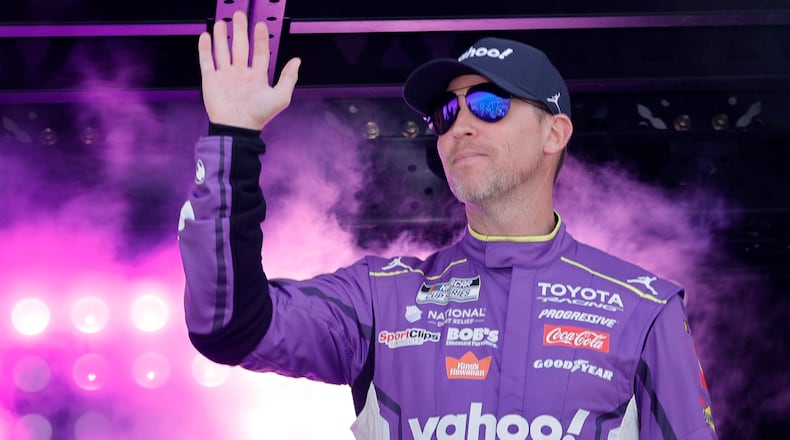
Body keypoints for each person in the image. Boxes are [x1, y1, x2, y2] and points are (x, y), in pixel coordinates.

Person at [178, 11, 717, 440]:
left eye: (488, 104)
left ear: (554, 133)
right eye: (445, 113)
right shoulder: (380, 297)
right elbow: (228, 325)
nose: (460, 126)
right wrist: (233, 135)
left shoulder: (643, 307)